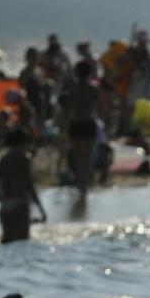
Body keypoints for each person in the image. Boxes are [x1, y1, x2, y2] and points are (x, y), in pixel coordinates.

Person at [0, 127, 46, 243]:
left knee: (6, 241)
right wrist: (41, 209)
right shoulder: (24, 159)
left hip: (6, 205)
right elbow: (29, 185)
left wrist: (2, 201)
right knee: (22, 242)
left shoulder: (4, 160)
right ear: (23, 143)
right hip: (20, 205)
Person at [61, 60, 101, 198]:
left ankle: (80, 183)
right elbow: (98, 107)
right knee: (87, 156)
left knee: (78, 155)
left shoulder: (73, 88)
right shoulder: (94, 88)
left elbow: (68, 109)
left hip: (76, 122)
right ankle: (85, 183)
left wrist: (64, 127)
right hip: (88, 121)